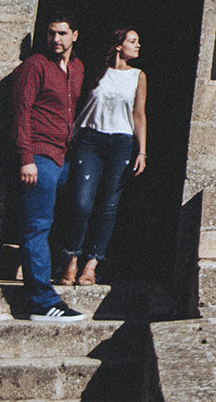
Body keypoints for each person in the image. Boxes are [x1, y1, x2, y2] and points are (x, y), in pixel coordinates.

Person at [56, 27, 148, 287]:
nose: (138, 46)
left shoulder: (138, 76)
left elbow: (139, 115)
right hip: (90, 139)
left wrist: (141, 150)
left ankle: (91, 264)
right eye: (133, 41)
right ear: (118, 45)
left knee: (108, 206)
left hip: (121, 143)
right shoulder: (96, 71)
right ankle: (70, 260)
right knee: (81, 202)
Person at [10, 11, 87, 320]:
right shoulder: (34, 66)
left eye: (62, 33)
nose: (56, 39)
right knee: (36, 226)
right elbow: (21, 112)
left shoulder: (78, 68)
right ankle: (43, 303)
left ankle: (51, 279)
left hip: (64, 156)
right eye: (51, 33)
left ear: (75, 35)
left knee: (67, 216)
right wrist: (25, 159)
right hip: (39, 157)